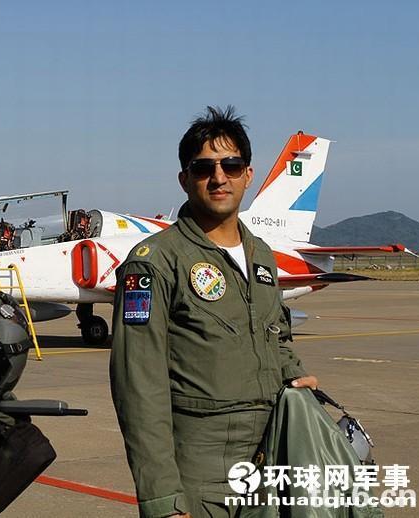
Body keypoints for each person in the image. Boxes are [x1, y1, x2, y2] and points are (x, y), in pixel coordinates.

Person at [109, 106, 318, 518]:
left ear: (248, 175)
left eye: (231, 164)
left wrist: (293, 373)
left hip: (271, 458)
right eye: (204, 168)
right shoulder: (155, 262)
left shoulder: (261, 255)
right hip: (201, 470)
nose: (219, 177)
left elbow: (275, 332)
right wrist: (163, 499)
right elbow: (138, 387)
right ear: (184, 179)